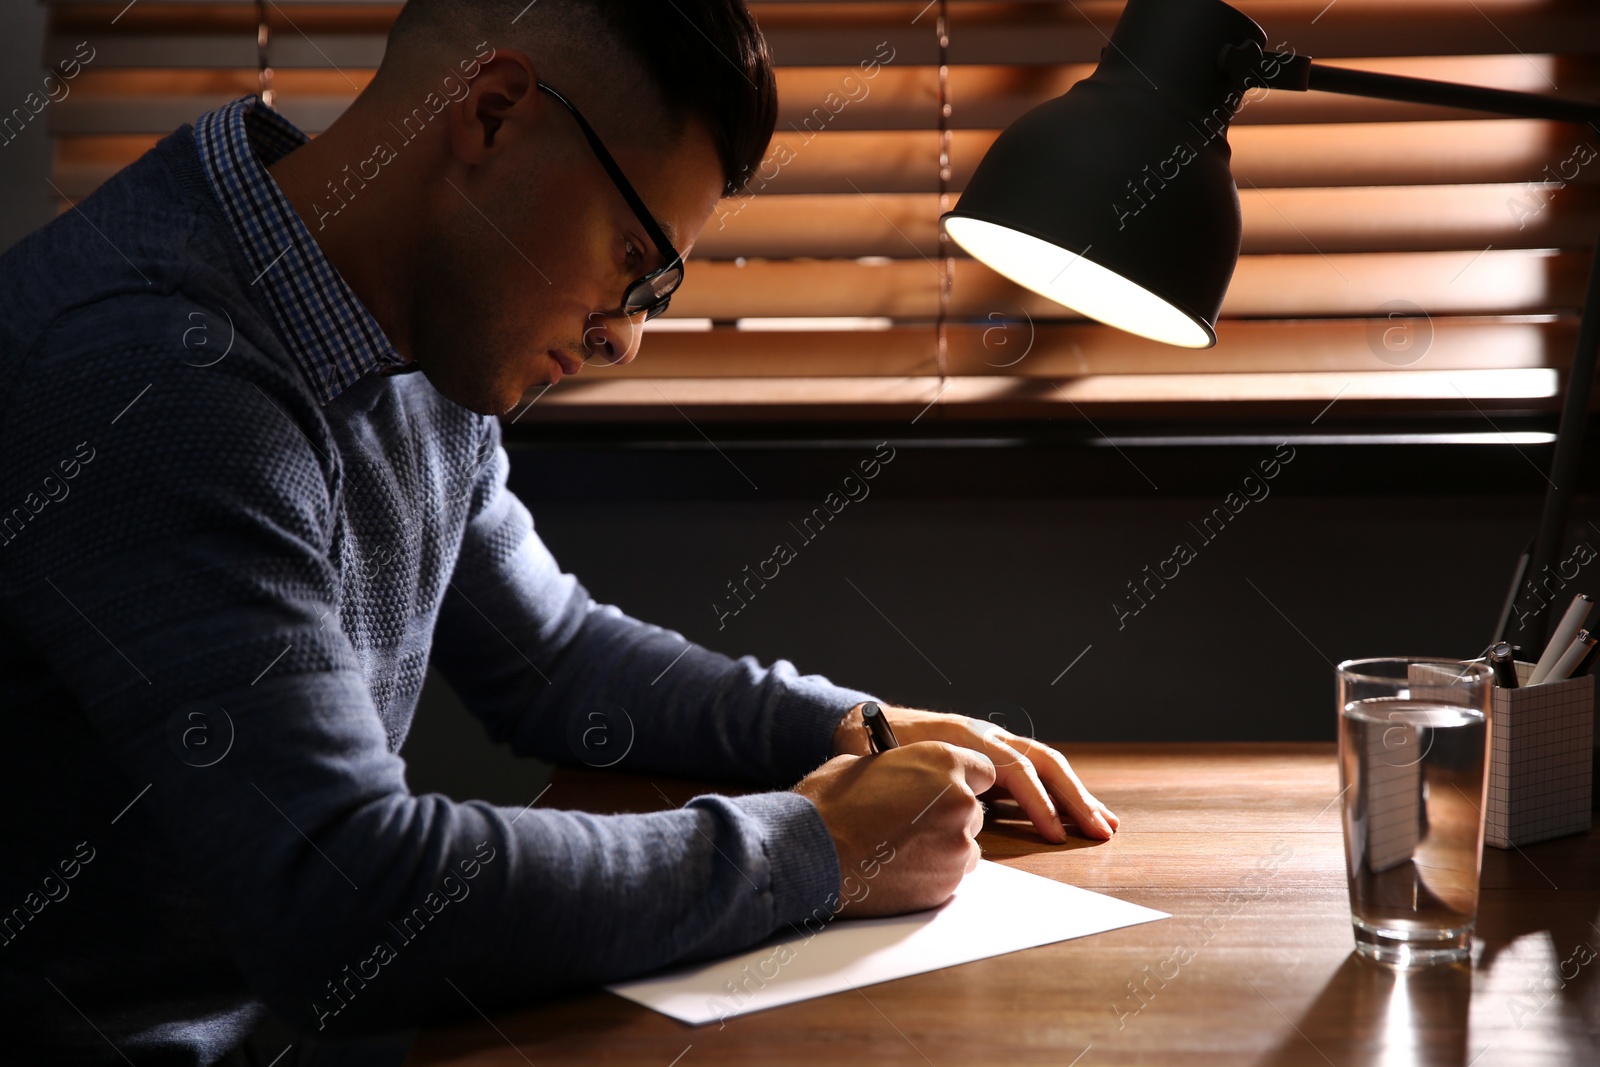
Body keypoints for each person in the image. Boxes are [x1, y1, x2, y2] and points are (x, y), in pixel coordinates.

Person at [0, 0, 1119, 1062]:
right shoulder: (152, 372)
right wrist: (816, 847)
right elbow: (346, 894)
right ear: (492, 113)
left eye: (659, 290)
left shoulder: (402, 322)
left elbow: (555, 658)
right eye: (634, 262)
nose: (626, 341)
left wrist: (849, 724)